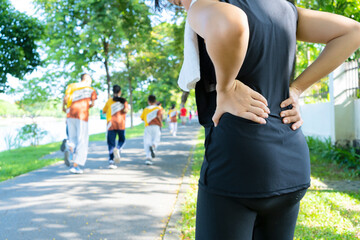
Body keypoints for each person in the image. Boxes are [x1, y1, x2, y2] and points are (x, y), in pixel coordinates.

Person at [154, 0, 360, 239]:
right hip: (291, 163)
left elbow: (231, 21)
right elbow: (352, 31)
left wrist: (226, 88)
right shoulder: (284, 9)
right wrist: (297, 88)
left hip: (236, 164)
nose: (178, 5)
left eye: (175, 1)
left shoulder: (202, 5)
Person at [63, 73, 97, 174]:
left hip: (70, 114)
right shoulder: (91, 90)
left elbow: (65, 100)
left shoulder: (71, 86)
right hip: (82, 115)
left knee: (72, 138)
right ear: (87, 79)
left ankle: (69, 145)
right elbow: (92, 104)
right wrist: (87, 107)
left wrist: (66, 110)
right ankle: (75, 166)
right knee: (82, 140)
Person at [102, 85, 129, 169]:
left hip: (111, 124)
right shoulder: (124, 101)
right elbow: (126, 111)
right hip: (121, 124)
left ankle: (111, 162)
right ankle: (118, 148)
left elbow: (103, 111)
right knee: (122, 140)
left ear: (113, 92)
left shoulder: (109, 101)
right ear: (120, 92)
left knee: (111, 143)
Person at [140, 95, 163, 165]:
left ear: (148, 101)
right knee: (156, 139)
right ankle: (153, 146)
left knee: (147, 141)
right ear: (155, 101)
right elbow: (160, 116)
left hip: (148, 127)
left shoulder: (146, 109)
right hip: (156, 126)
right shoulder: (159, 108)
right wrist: (161, 123)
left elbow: (142, 118)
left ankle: (148, 158)